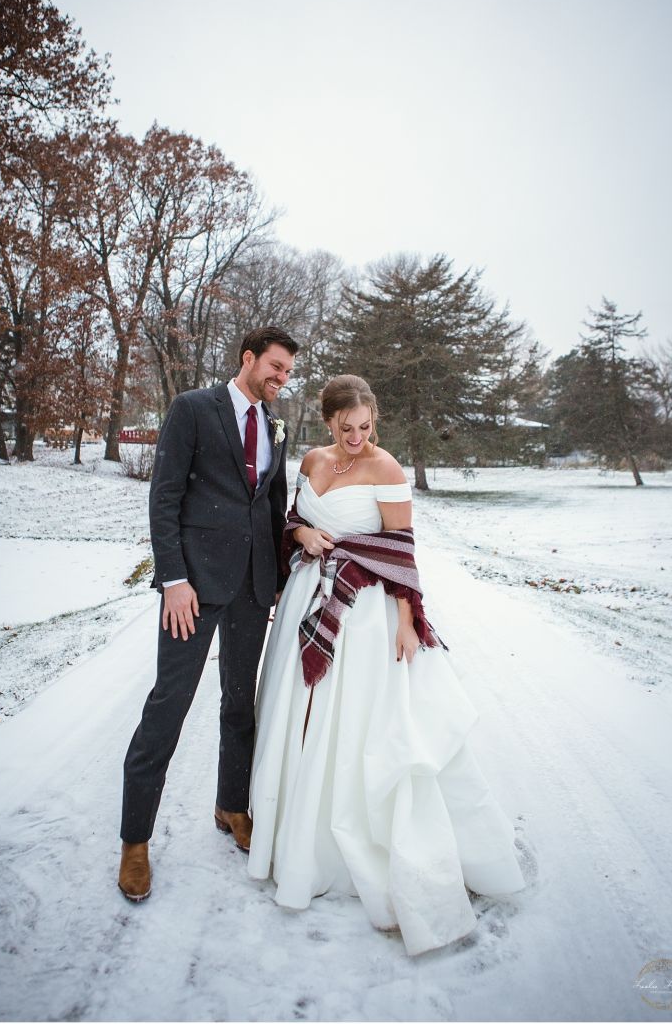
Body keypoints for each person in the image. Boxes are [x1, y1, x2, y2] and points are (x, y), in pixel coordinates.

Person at [248, 374, 525, 955]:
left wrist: (407, 622)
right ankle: (297, 832)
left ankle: (360, 846)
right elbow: (292, 521)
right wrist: (303, 532)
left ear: (376, 419)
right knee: (299, 720)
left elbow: (400, 551)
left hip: (366, 615)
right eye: (345, 428)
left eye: (365, 426)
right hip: (309, 595)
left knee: (358, 728)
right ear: (328, 423)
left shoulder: (388, 469)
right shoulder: (312, 459)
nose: (355, 437)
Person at [118, 326, 298, 902]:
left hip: (251, 587)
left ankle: (231, 806)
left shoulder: (275, 426)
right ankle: (135, 841)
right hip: (192, 589)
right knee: (168, 707)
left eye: (288, 372)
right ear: (248, 359)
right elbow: (164, 496)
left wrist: (278, 578)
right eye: (275, 366)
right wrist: (173, 579)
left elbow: (271, 505)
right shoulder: (193, 408)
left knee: (239, 703)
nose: (281, 378)